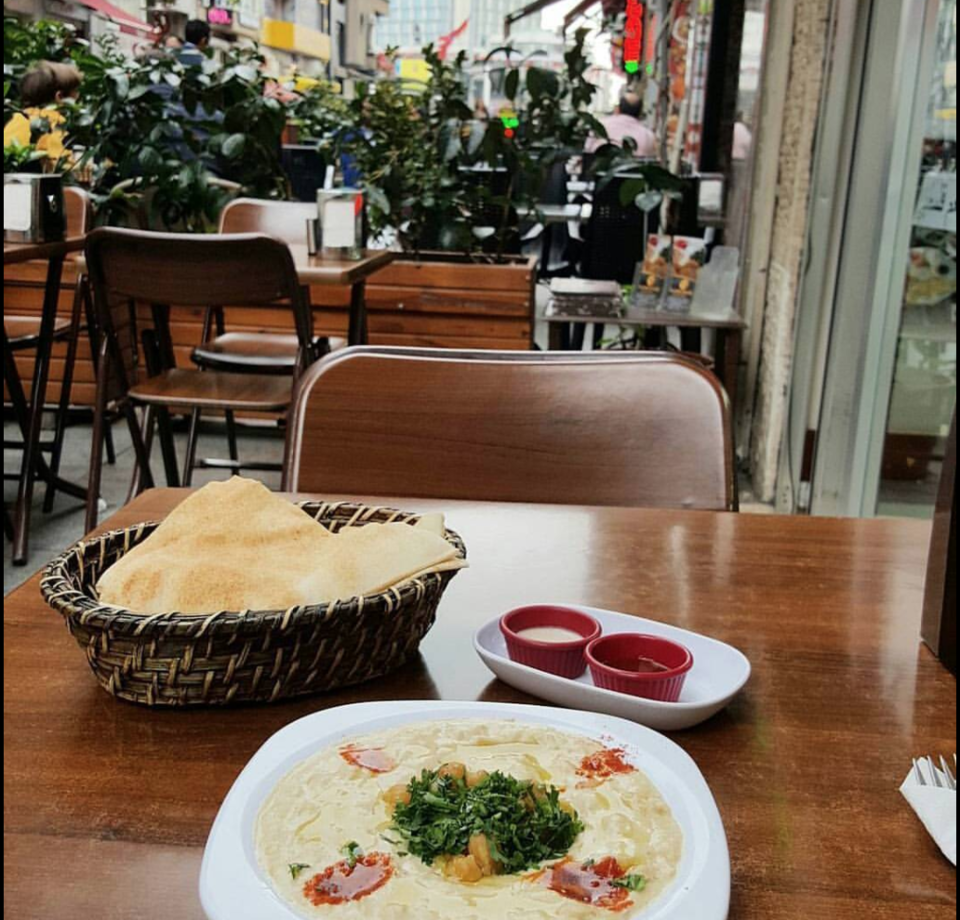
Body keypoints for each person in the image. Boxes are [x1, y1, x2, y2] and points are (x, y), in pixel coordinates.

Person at [4, 61, 82, 162]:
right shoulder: (52, 122)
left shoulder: (16, 119)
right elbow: (61, 164)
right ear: (59, 97)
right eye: (76, 96)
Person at [586, 91, 657, 156]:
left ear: (617, 109)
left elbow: (587, 150)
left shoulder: (599, 126)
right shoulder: (648, 136)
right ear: (640, 113)